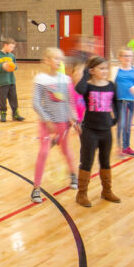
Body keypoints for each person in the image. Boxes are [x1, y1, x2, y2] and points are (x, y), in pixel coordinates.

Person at [74, 55, 121, 208]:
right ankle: (81, 193)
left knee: (105, 161)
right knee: (87, 161)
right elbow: (78, 89)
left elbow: (115, 102)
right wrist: (86, 74)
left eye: (106, 68)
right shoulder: (87, 86)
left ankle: (107, 190)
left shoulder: (110, 85)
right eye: (101, 68)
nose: (105, 71)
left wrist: (117, 117)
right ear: (92, 70)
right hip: (90, 130)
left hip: (106, 130)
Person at [32, 48, 75, 203]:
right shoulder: (40, 79)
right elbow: (36, 103)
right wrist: (47, 120)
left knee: (66, 150)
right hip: (46, 124)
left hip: (63, 123)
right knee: (43, 152)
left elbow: (70, 102)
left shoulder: (66, 79)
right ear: (47, 60)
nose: (59, 62)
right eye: (56, 58)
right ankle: (36, 188)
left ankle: (73, 174)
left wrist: (73, 118)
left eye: (61, 59)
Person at [112, 48, 134, 157]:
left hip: (129, 101)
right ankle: (121, 147)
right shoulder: (115, 70)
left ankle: (124, 147)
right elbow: (110, 83)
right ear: (120, 57)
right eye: (125, 56)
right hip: (117, 101)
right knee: (121, 124)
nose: (127, 58)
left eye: (129, 56)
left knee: (125, 125)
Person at [0, 39, 25, 122]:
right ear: (5, 45)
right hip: (2, 82)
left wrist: (13, 66)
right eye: (11, 47)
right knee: (3, 99)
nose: (12, 49)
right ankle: (3, 114)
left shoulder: (11, 56)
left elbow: (16, 66)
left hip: (11, 81)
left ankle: (15, 114)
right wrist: (3, 66)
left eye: (13, 47)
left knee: (13, 98)